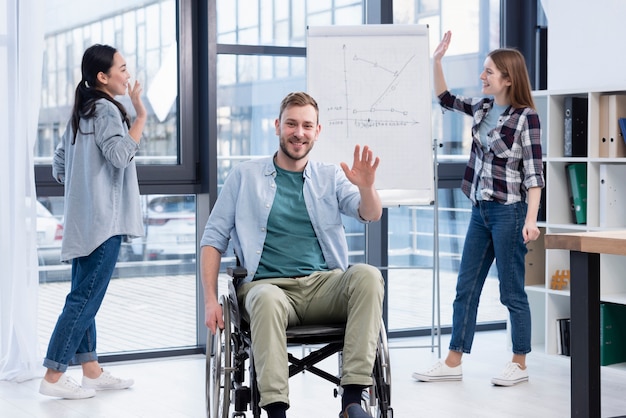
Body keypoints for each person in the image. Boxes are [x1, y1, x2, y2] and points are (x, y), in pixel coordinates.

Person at [200, 91, 385, 418]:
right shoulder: (245, 176)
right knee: (268, 299)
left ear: (317, 131)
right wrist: (210, 300)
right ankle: (276, 413)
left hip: (323, 287)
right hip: (267, 289)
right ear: (277, 126)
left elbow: (368, 213)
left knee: (368, 276)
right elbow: (213, 238)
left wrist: (367, 186)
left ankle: (353, 401)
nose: (299, 132)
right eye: (291, 124)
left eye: (307, 126)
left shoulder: (330, 176)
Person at [412, 31, 544, 386]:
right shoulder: (483, 107)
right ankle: (453, 361)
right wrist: (436, 61)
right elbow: (444, 98)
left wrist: (531, 221)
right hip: (480, 211)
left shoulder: (525, 118)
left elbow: (534, 175)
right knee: (465, 287)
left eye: (488, 72)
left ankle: (519, 362)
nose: (482, 77)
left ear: (507, 79)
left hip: (509, 213)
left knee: (511, 291)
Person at [39, 44, 147, 399]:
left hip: (84, 221)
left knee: (83, 295)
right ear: (103, 77)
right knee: (84, 299)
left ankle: (91, 371)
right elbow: (118, 156)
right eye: (123, 68)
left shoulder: (82, 111)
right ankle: (53, 376)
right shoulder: (107, 110)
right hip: (104, 223)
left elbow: (59, 164)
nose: (127, 75)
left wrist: (83, 186)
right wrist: (140, 115)